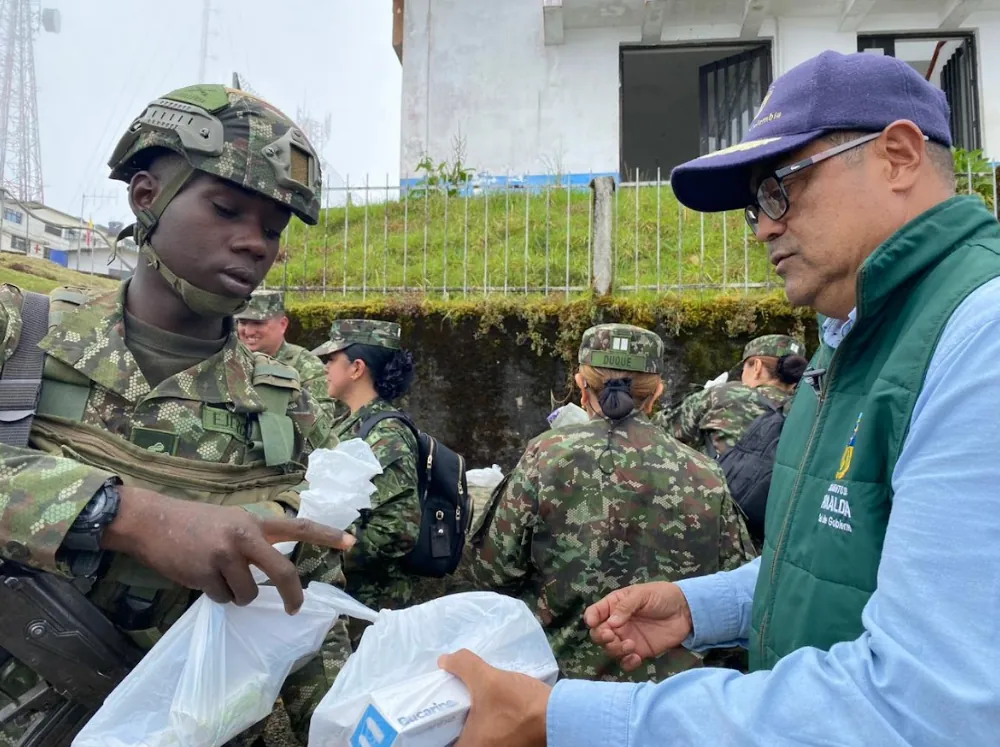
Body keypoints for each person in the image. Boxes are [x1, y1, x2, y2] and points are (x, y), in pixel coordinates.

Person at [435, 50, 1000, 746]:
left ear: (898, 156)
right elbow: (820, 558)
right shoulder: (849, 344)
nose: (763, 225)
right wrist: (700, 605)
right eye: (753, 205)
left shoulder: (979, 341)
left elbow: (924, 708)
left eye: (778, 187)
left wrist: (560, 718)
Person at [0, 84, 355, 746]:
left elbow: (305, 610)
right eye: (227, 208)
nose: (255, 243)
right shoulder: (21, 335)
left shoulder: (289, 402)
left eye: (273, 230)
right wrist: (127, 516)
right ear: (145, 197)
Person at [465, 323, 754, 681]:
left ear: (582, 386)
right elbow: (737, 584)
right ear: (657, 392)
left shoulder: (546, 455)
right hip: (669, 695)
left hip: (559, 687)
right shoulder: (705, 472)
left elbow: (494, 573)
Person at [313, 320, 422, 619]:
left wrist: (324, 551)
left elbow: (396, 531)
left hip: (371, 605)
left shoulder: (385, 435)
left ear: (356, 368)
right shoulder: (351, 423)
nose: (326, 368)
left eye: (332, 359)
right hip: (347, 596)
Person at [655, 334, 807, 456]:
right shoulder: (809, 411)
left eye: (744, 368)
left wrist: (703, 395)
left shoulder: (724, 394)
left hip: (721, 491)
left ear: (757, 367)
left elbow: (658, 427)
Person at [236, 288, 347, 421]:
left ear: (283, 324)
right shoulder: (229, 360)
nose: (248, 331)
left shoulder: (306, 365)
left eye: (258, 323)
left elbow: (322, 421)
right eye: (242, 322)